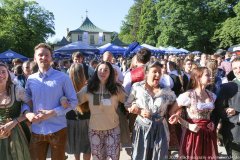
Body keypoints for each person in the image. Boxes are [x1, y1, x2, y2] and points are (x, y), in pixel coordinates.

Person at [22, 43, 78, 160]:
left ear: (51, 57)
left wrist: (53, 112)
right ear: (35, 57)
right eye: (40, 55)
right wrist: (28, 113)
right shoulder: (31, 79)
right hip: (37, 129)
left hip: (58, 129)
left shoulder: (63, 77)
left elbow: (73, 102)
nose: (43, 57)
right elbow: (26, 100)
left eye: (46, 55)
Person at [125, 61, 176, 160]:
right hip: (142, 128)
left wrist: (176, 113)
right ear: (147, 72)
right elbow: (127, 104)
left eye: (160, 72)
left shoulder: (166, 90)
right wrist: (138, 111)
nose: (158, 75)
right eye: (154, 72)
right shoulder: (137, 87)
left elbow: (177, 103)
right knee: (140, 156)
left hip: (160, 129)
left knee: (159, 156)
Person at [77, 61, 125, 160]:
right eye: (100, 69)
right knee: (97, 158)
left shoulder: (116, 89)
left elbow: (129, 100)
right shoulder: (88, 89)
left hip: (113, 129)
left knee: (113, 157)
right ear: (96, 71)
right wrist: (62, 99)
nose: (102, 72)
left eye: (106, 70)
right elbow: (74, 100)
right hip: (95, 130)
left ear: (110, 73)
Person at [169, 67, 218, 160]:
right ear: (198, 77)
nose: (210, 77)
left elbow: (211, 114)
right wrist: (188, 125)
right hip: (193, 133)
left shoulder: (212, 95)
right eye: (207, 75)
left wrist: (212, 122)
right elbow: (172, 111)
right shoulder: (188, 95)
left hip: (208, 132)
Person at [0, 63, 31, 160]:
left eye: (3, 72)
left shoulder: (17, 89)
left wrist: (15, 122)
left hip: (18, 132)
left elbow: (32, 106)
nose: (0, 75)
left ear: (8, 74)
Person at [214, 57, 240, 159]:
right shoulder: (227, 87)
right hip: (234, 131)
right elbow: (220, 109)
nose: (238, 70)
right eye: (235, 68)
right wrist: (234, 114)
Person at [66, 63, 91, 160]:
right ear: (83, 73)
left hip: (71, 120)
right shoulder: (89, 86)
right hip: (87, 119)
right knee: (87, 148)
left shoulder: (66, 86)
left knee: (76, 147)